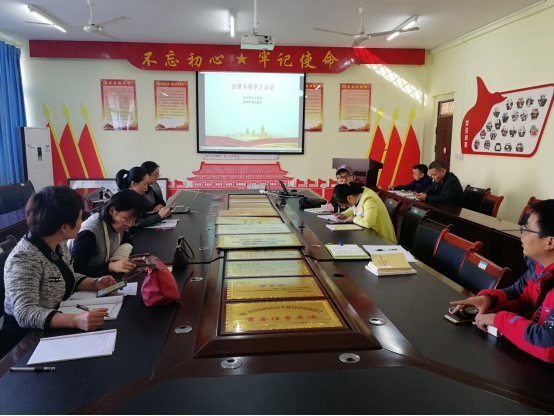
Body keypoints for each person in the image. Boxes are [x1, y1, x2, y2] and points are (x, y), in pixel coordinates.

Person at [2, 186, 116, 334]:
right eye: (80, 217)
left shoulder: (58, 242)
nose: (82, 221)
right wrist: (75, 320)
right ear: (64, 227)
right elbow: (25, 313)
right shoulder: (24, 259)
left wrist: (94, 283)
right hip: (27, 336)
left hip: (57, 318)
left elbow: (66, 275)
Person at [451, 200, 554, 363]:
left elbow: (549, 344)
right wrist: (488, 299)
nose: (522, 233)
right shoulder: (540, 266)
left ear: (550, 242)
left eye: (527, 229)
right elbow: (520, 293)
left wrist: (500, 320)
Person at [69, 190, 143, 278]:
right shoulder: (89, 233)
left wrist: (119, 259)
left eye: (133, 221)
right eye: (127, 220)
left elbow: (127, 243)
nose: (130, 225)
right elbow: (75, 270)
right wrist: (111, 267)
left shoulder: (117, 225)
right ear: (112, 211)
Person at [332, 182, 397, 243]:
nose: (345, 206)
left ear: (349, 198)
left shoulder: (369, 199)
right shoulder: (356, 194)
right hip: (370, 234)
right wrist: (344, 214)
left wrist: (354, 218)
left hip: (382, 239)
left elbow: (369, 223)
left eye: (344, 205)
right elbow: (354, 208)